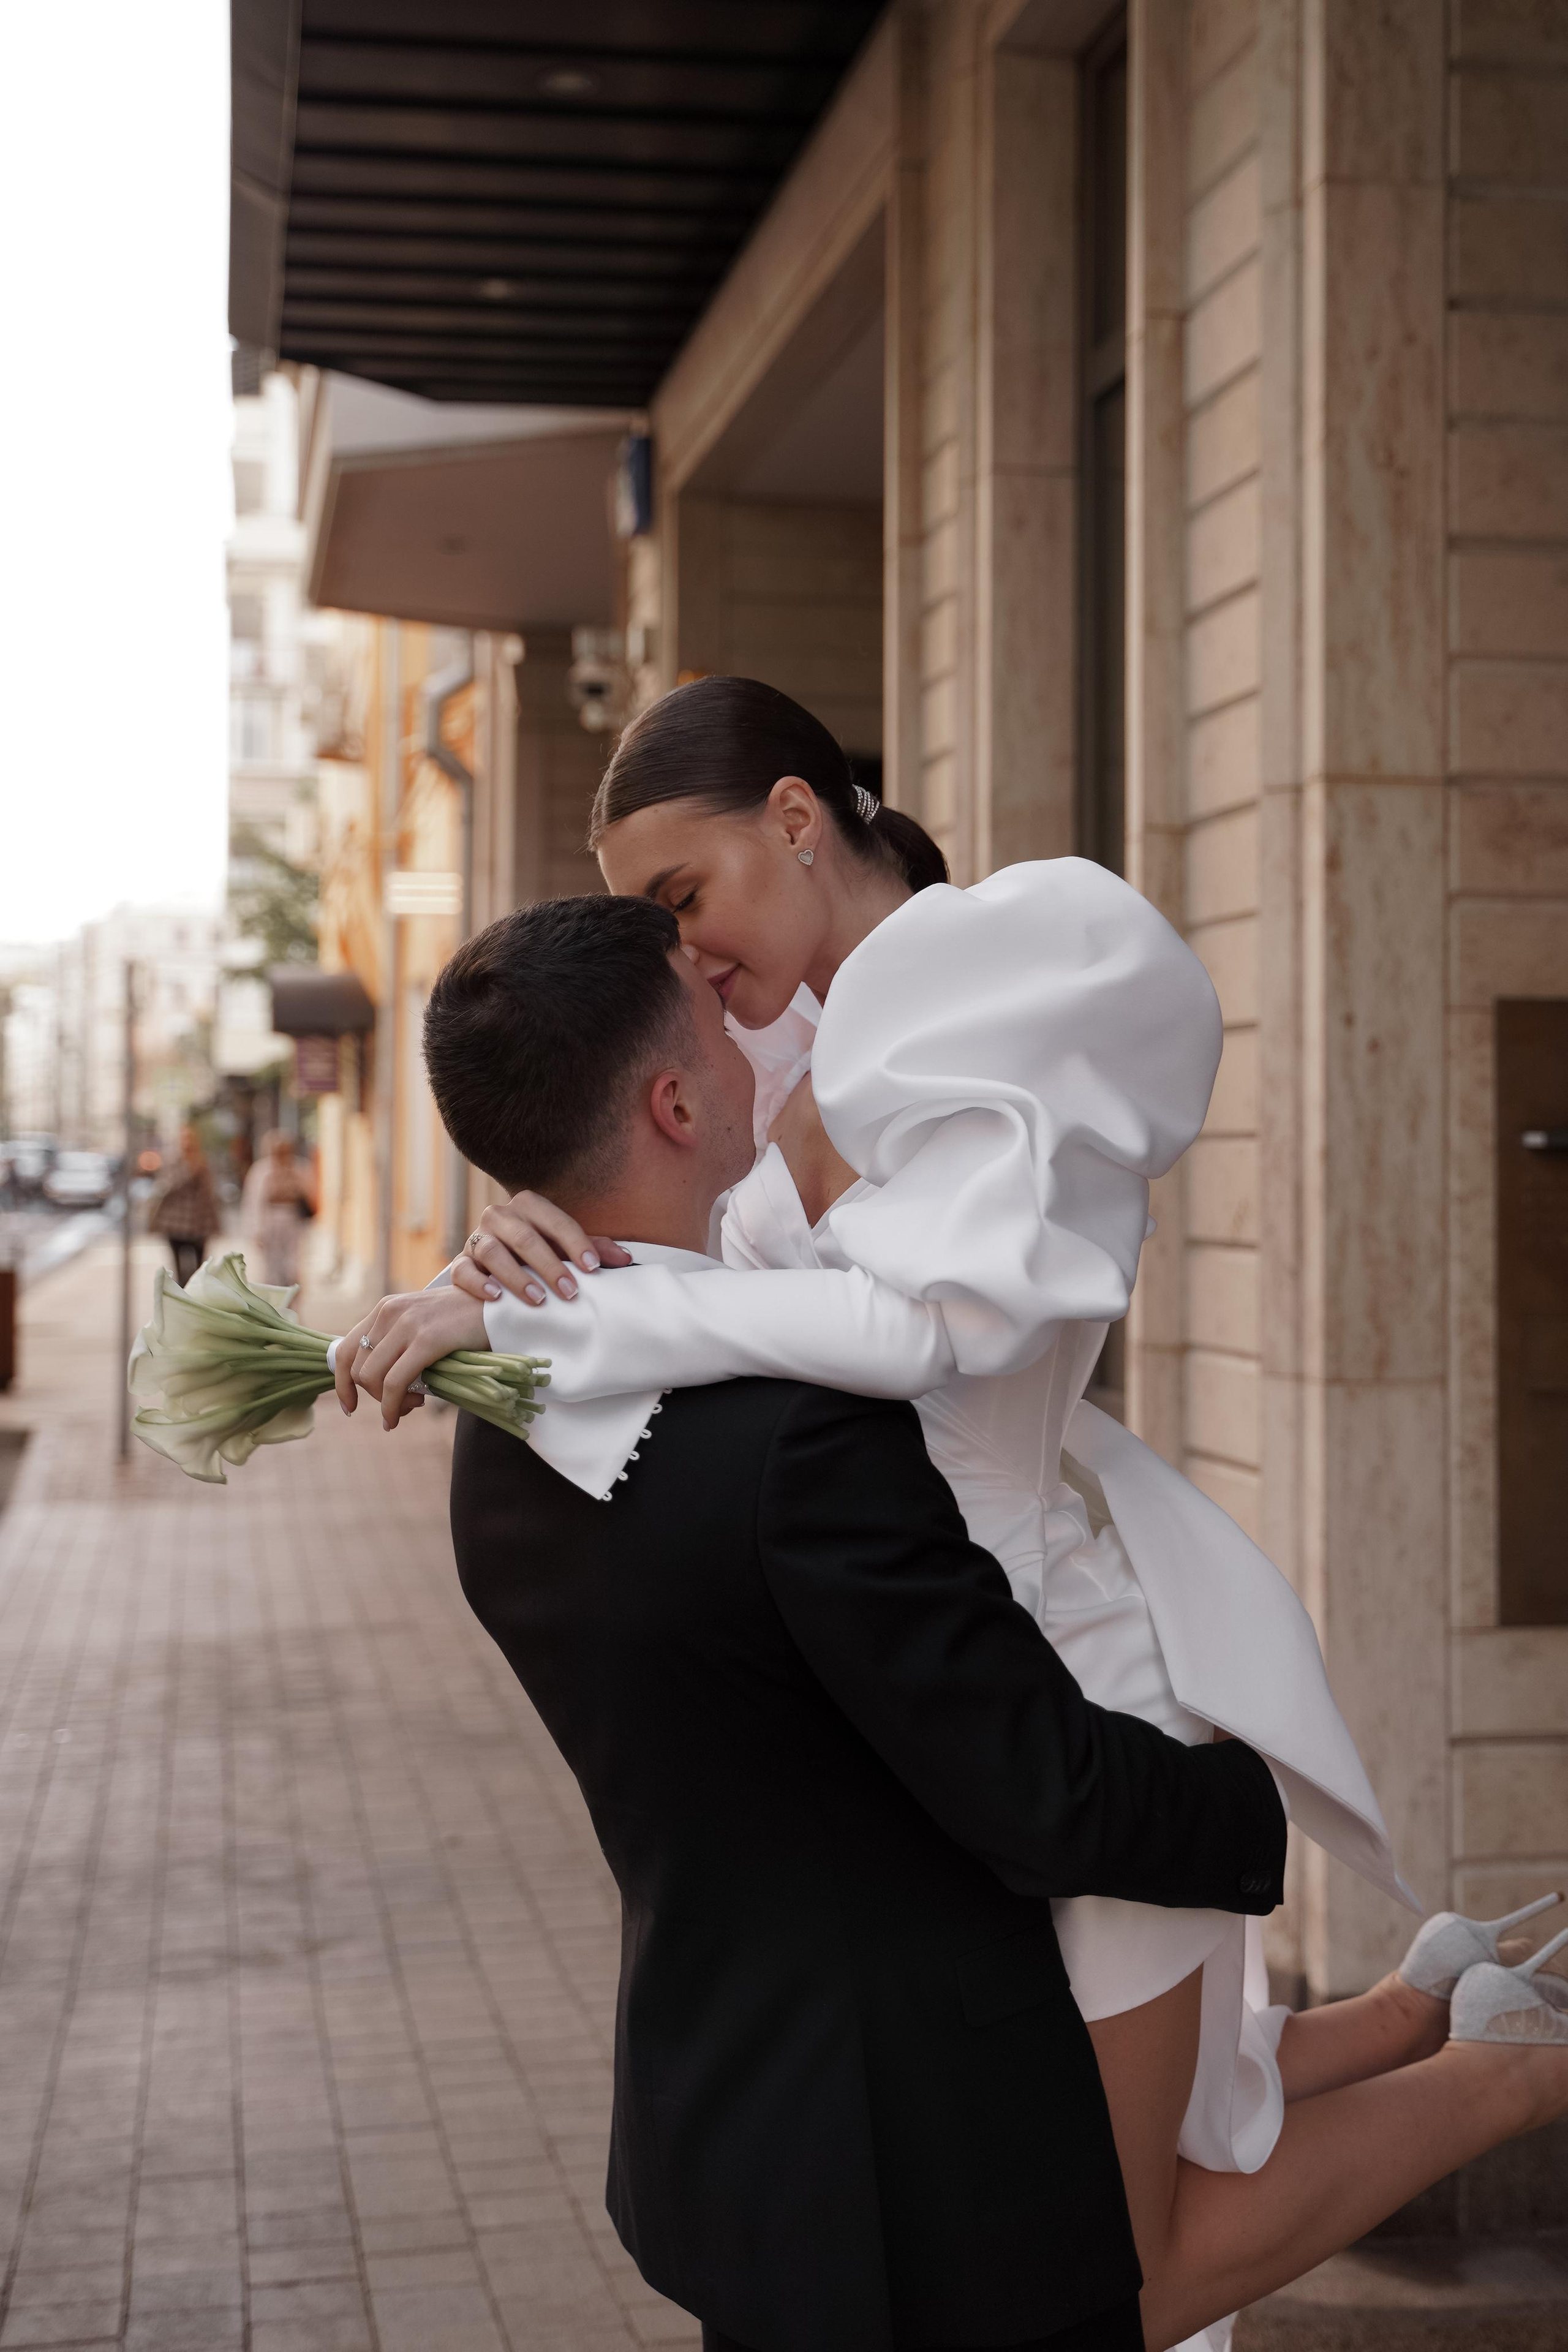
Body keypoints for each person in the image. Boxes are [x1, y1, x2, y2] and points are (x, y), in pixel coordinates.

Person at [344, 892, 1568, 2352]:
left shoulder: (501, 1431)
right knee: (1143, 2274)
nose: (757, 1029)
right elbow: (1041, 1790)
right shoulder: (796, 1441)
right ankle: (1509, 2062)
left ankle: (1416, 2013)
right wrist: (1246, 1801)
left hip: (720, 2122)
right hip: (915, 2136)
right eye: (714, 1009)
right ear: (672, 1100)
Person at [240, 1126, 314, 1289]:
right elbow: (253, 1202)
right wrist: (255, 1230)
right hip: (270, 1222)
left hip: (292, 1221)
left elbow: (310, 1196)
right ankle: (274, 1305)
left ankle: (292, 1304)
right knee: (271, 1269)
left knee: (292, 1267)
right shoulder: (261, 1170)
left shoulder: (300, 1168)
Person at [148, 1125, 219, 1287]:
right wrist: (189, 1170)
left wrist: (215, 1224)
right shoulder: (173, 1162)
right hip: (176, 1223)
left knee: (200, 1271)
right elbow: (165, 1187)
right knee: (179, 1270)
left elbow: (210, 1195)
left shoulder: (204, 1163)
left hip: (199, 1224)